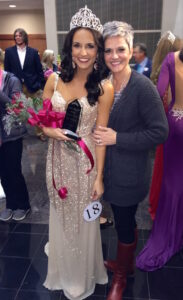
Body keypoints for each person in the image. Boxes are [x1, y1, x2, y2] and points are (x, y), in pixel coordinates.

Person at [93, 21, 169, 300]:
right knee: (122, 219)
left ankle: (122, 276)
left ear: (131, 50)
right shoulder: (104, 83)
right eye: (109, 50)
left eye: (120, 50)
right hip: (108, 171)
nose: (114, 56)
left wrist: (118, 138)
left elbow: (160, 132)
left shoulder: (142, 87)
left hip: (129, 173)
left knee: (124, 222)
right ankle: (126, 264)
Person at [42, 7, 113, 300]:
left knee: (82, 219)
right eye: (77, 45)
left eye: (90, 45)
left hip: (85, 163)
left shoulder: (104, 88)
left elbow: (100, 137)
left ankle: (81, 273)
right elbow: (43, 121)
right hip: (56, 159)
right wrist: (49, 132)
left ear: (98, 50)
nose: (83, 52)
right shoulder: (54, 81)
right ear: (69, 47)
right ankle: (61, 268)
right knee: (60, 215)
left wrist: (99, 178)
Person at [136, 49, 183, 271]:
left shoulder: (170, 59)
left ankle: (169, 231)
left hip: (175, 123)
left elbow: (159, 92)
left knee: (173, 182)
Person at [148, 31, 183, 220]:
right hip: (172, 126)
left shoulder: (160, 70)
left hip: (167, 126)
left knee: (163, 169)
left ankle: (159, 206)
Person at [0, 48, 30, 222]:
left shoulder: (12, 80)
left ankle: (23, 205)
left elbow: (17, 108)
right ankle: (11, 204)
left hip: (12, 134)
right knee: (3, 172)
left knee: (14, 171)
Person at [4, 28, 45, 98]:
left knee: (35, 109)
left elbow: (39, 70)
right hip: (16, 89)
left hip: (33, 89)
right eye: (16, 36)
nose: (17, 37)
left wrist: (40, 85)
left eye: (20, 36)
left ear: (25, 37)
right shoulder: (9, 51)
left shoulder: (33, 52)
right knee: (18, 109)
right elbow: (7, 71)